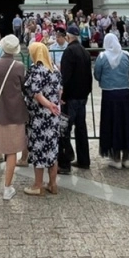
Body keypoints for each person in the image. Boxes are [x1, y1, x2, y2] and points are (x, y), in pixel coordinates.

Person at [0, 34, 27, 201]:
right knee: (12, 150)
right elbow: (24, 87)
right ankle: (8, 188)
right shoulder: (19, 66)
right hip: (15, 112)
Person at [93, 33, 129, 169]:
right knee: (126, 123)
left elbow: (97, 74)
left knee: (111, 123)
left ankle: (115, 156)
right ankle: (126, 156)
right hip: (125, 93)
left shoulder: (102, 57)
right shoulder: (126, 56)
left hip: (109, 94)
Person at [23, 41, 62, 196]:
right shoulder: (55, 69)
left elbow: (35, 92)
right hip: (54, 116)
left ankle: (38, 185)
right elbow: (60, 91)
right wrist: (54, 105)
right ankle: (53, 184)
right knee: (52, 149)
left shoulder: (35, 70)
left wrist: (47, 105)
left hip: (39, 115)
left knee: (38, 148)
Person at [59, 23, 92, 173]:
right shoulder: (85, 51)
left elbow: (65, 77)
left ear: (68, 37)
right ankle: (84, 160)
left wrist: (63, 96)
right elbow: (89, 76)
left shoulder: (69, 52)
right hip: (82, 97)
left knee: (64, 129)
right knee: (81, 129)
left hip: (71, 97)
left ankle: (65, 162)